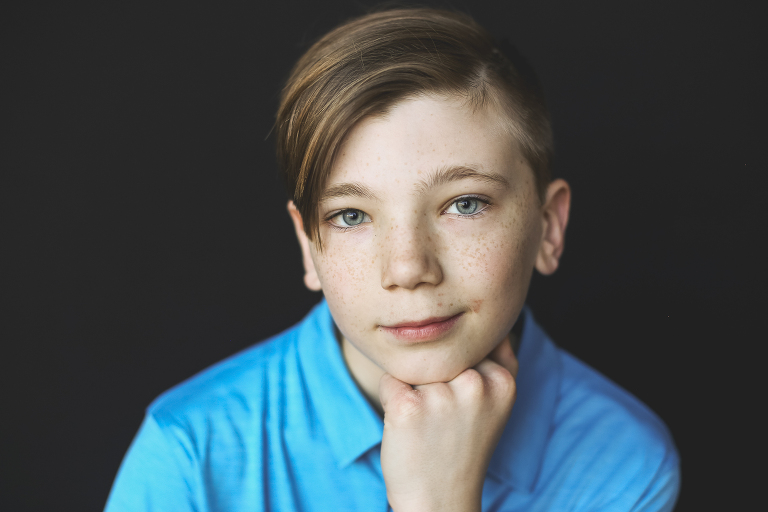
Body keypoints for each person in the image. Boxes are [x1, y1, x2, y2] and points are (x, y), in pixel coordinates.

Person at [104, 7, 680, 512]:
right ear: (308, 247)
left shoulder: (624, 464)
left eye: (464, 203)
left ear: (549, 228)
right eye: (351, 215)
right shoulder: (190, 451)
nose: (407, 269)